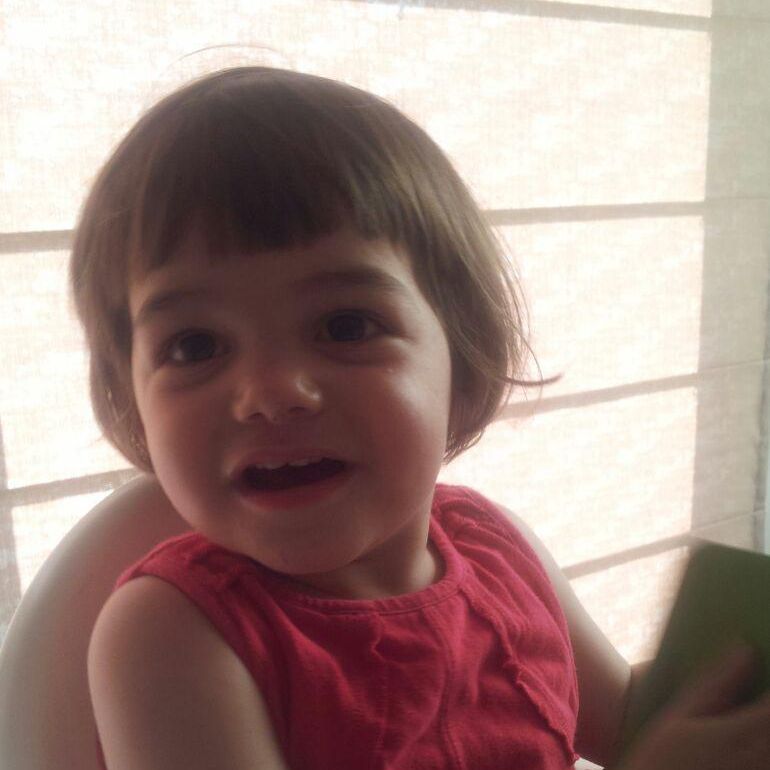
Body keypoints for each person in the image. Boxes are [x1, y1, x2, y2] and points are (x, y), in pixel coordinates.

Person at [71, 67, 769, 770]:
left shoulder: (495, 549)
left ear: (460, 355)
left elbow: (626, 722)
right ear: (131, 396)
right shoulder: (168, 636)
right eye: (194, 346)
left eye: (345, 326)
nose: (271, 392)